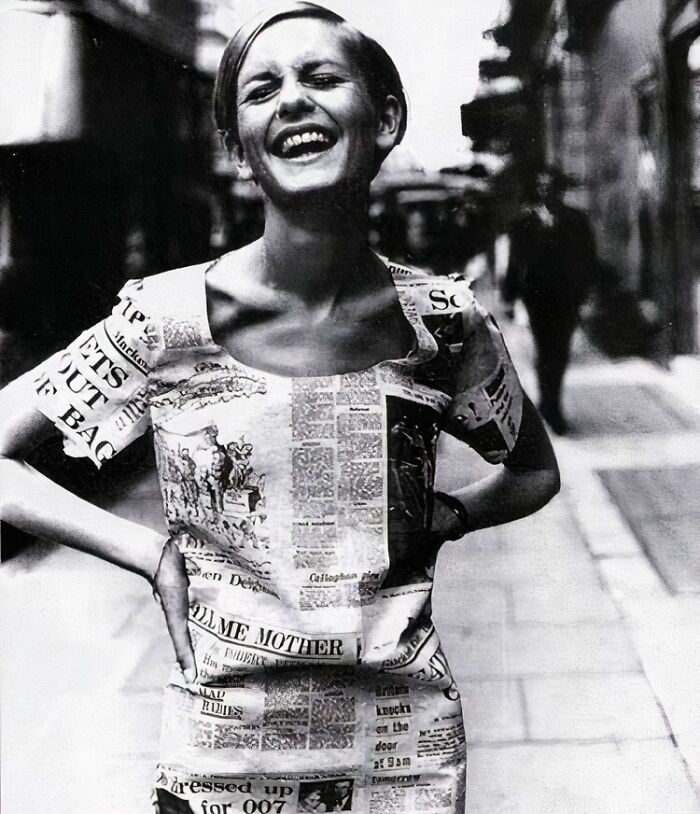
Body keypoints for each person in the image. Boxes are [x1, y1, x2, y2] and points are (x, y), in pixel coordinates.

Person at [0, 4, 560, 813]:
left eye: (322, 77)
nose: (293, 98)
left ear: (386, 119)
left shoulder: (444, 323)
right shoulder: (165, 319)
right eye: (262, 89)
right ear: (238, 147)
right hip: (222, 761)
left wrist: (451, 516)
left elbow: (533, 471)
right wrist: (148, 553)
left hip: (404, 760)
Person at [501, 166, 598, 434]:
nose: (547, 193)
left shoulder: (577, 221)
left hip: (567, 298)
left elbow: (588, 260)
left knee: (560, 350)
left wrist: (587, 295)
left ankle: (551, 401)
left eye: (553, 188)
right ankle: (550, 404)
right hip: (536, 298)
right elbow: (514, 263)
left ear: (561, 191)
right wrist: (509, 297)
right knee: (544, 350)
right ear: (538, 191)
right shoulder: (524, 223)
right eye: (542, 188)